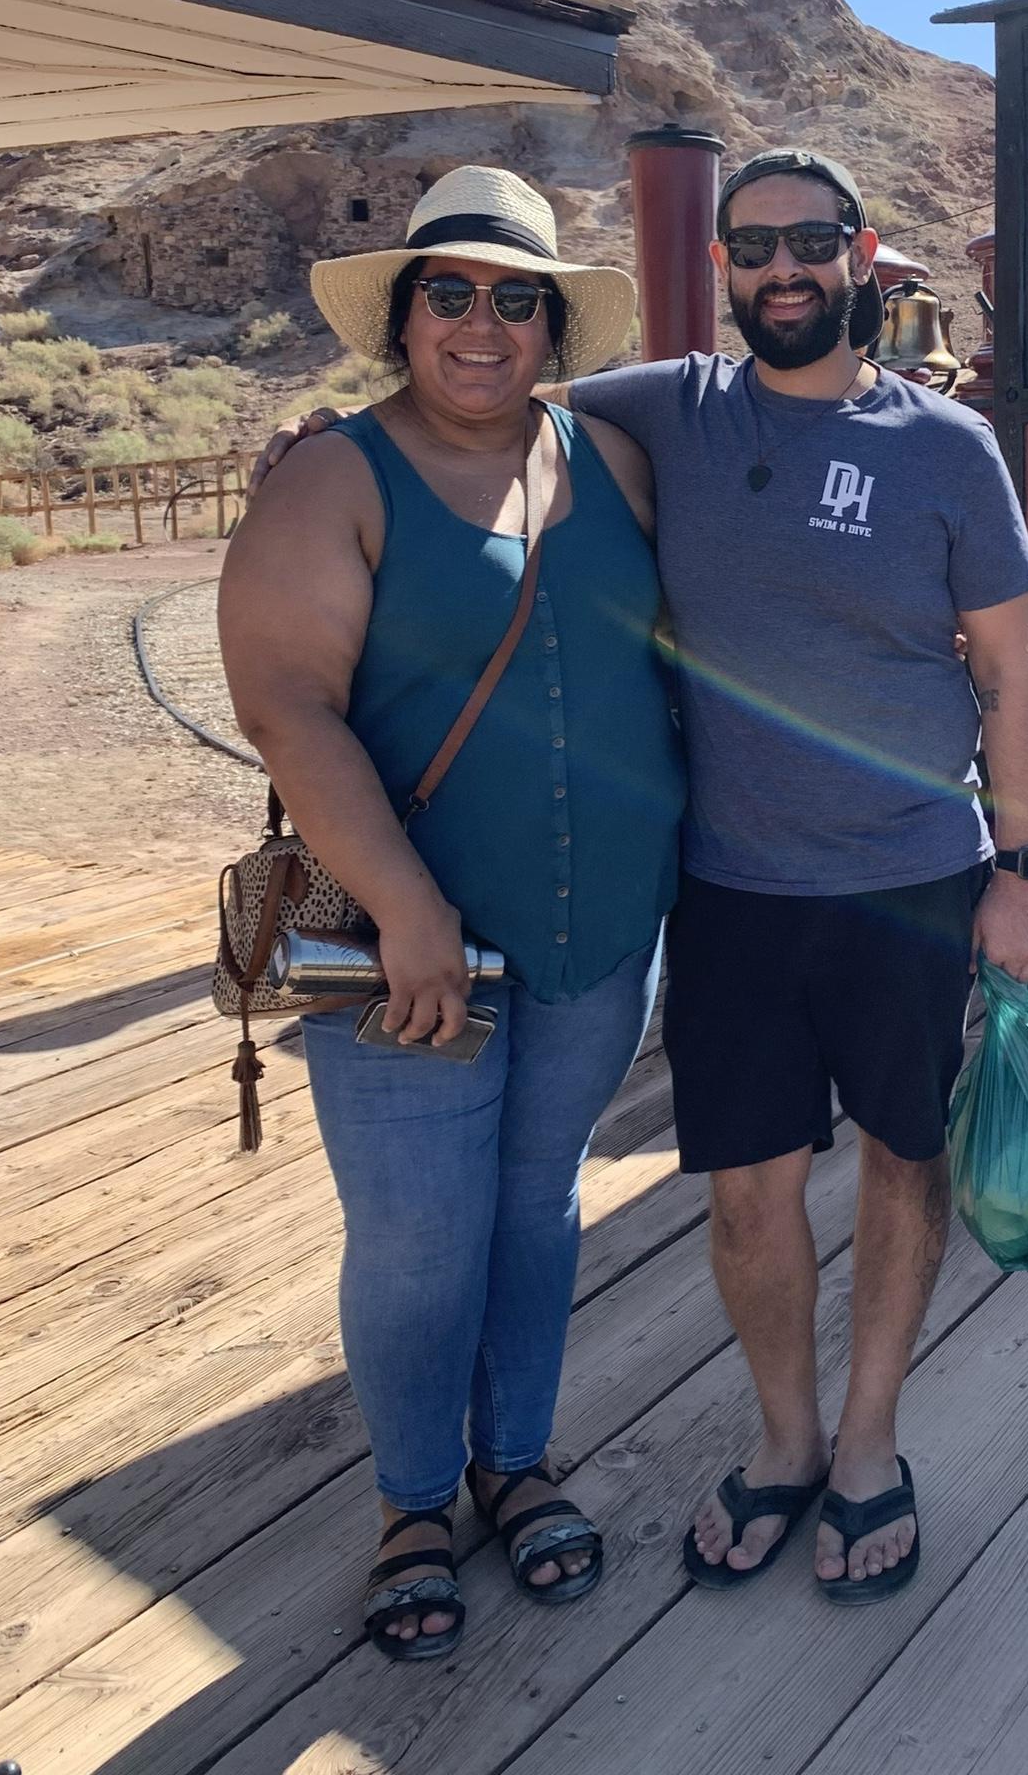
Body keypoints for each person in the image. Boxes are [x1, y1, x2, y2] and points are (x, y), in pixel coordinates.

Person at [260, 146, 1028, 1604]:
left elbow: (1013, 672)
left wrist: (1025, 868)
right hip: (725, 890)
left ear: (862, 250)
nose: (783, 268)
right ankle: (766, 1444)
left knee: (890, 1164)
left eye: (810, 240)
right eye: (753, 247)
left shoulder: (936, 448)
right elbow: (465, 427)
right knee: (720, 1196)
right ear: (723, 269)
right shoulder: (663, 414)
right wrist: (324, 437)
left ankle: (865, 1446)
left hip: (896, 880)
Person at [220, 166, 685, 1660]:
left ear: (552, 324)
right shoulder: (332, 479)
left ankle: (517, 1462)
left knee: (537, 1203)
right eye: (450, 293)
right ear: (404, 315)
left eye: (514, 299)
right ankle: (416, 1499)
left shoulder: (617, 461)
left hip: (600, 928)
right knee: (421, 1238)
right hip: (402, 948)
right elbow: (287, 706)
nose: (481, 324)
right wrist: (404, 903)